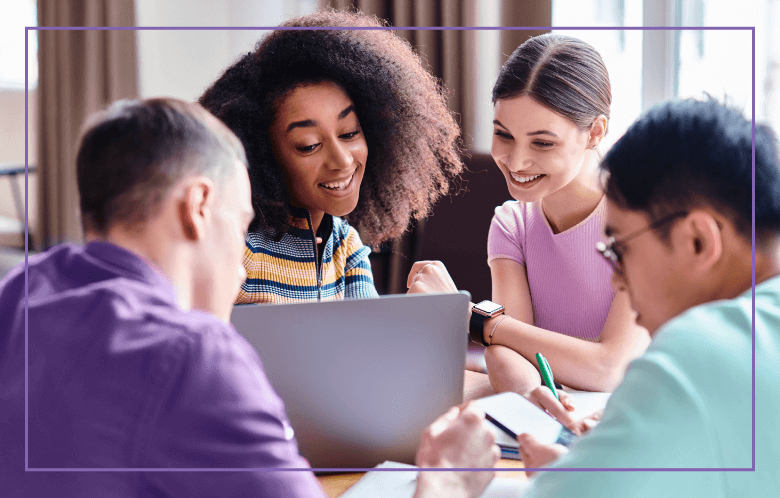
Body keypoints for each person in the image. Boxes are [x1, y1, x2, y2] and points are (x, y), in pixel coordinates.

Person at [0, 98, 500, 498]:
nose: (239, 261)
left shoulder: (20, 291)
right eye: (240, 225)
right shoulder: (194, 352)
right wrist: (447, 484)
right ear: (198, 206)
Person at [455, 99, 780, 496]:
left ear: (698, 240)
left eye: (620, 249)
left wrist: (442, 482)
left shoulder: (699, 352)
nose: (617, 282)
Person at [409, 34, 649, 394]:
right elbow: (515, 369)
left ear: (595, 133)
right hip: (554, 415)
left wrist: (467, 313)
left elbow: (608, 369)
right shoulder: (512, 225)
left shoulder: (641, 219)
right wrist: (492, 331)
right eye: (503, 135)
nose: (516, 162)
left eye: (542, 142)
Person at [199, 10, 463, 304]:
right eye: (309, 145)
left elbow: (370, 341)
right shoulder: (237, 249)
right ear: (262, 155)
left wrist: (429, 311)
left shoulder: (346, 247)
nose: (343, 161)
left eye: (349, 133)